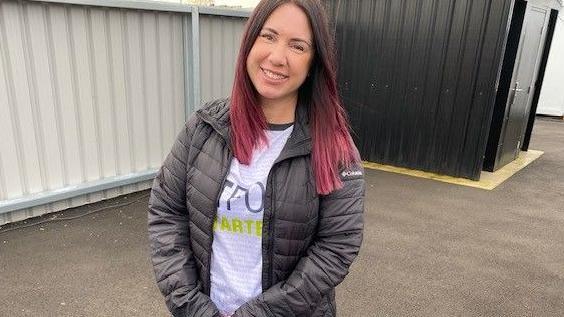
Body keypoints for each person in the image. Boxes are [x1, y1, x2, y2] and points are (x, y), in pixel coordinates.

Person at [148, 0, 365, 316]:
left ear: (313, 61)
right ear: (249, 42)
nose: (277, 57)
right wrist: (191, 306)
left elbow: (336, 246)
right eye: (268, 36)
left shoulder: (335, 149)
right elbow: (167, 211)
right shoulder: (204, 127)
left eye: (297, 46)